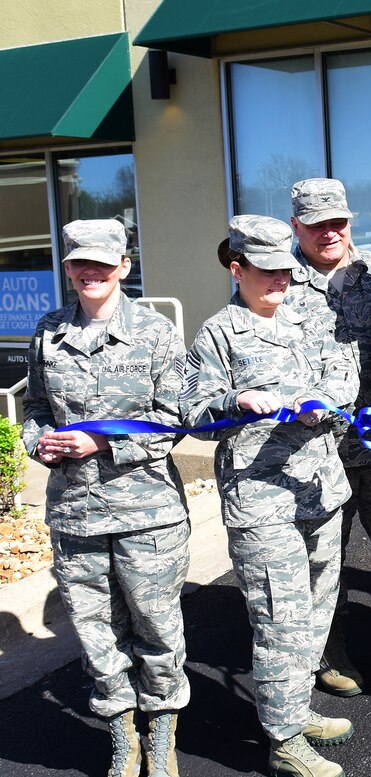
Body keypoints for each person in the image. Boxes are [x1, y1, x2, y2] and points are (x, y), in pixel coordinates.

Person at [181, 215, 359, 777]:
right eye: (267, 271)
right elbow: (193, 413)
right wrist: (237, 401)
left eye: (286, 269)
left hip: (319, 488)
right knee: (279, 616)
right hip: (261, 501)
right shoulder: (219, 332)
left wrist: (325, 403)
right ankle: (283, 741)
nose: (281, 279)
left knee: (314, 608)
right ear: (237, 270)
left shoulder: (312, 319)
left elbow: (345, 376)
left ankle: (295, 706)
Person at [22, 218, 190, 777]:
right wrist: (37, 443)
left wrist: (103, 439)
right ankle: (123, 735)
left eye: (101, 262)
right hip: (76, 512)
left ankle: (161, 733)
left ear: (123, 266)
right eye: (79, 263)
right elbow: (38, 410)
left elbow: (174, 420)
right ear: (67, 269)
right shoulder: (48, 332)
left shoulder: (156, 331)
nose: (89, 272)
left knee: (157, 626)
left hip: (147, 512)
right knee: (96, 630)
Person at [287, 177, 371, 699]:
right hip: (315, 451)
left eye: (337, 223)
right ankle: (329, 646)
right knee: (322, 555)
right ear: (296, 226)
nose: (329, 233)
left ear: (351, 222)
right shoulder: (275, 284)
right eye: (316, 225)